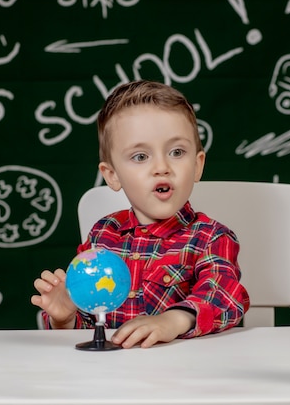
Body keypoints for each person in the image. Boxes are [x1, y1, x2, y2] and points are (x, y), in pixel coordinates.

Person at [31, 80, 249, 348]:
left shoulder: (211, 238)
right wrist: (65, 319)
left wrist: (172, 321)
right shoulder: (102, 236)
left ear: (197, 165)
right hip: (112, 381)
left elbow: (223, 296)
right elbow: (92, 330)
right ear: (112, 175)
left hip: (186, 378)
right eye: (140, 156)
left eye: (176, 152)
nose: (161, 167)